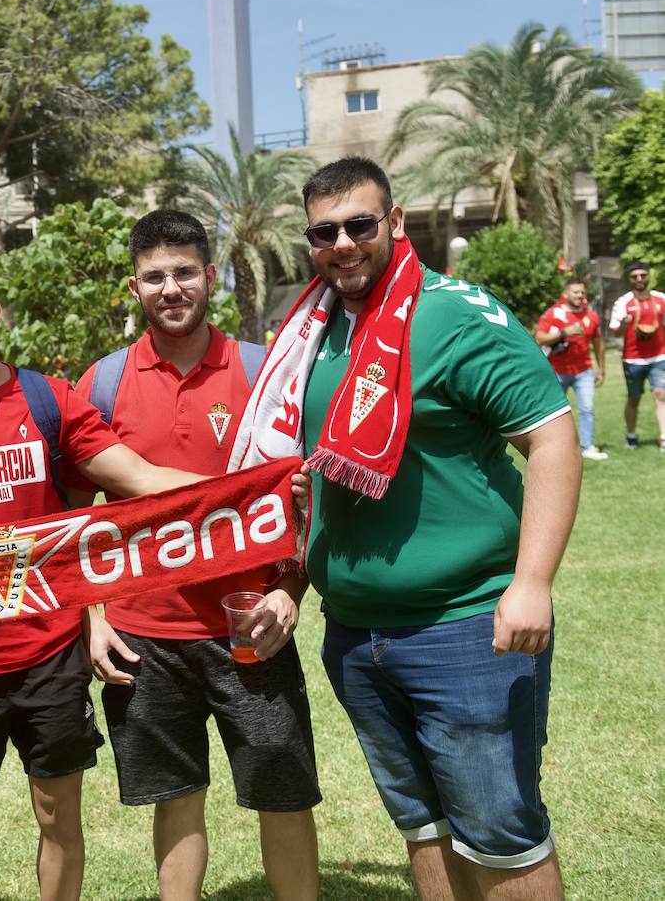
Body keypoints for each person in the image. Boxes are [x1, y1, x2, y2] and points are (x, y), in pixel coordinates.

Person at [249, 157, 578, 899]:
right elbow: (319, 486)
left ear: (394, 223)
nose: (343, 243)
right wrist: (292, 585)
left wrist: (531, 583)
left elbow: (552, 436)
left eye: (360, 225)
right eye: (323, 231)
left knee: (501, 831)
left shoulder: (457, 315)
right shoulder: (312, 334)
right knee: (423, 826)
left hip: (465, 629)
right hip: (358, 639)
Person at [0, 252, 211, 901]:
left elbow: (139, 480)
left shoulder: (49, 401)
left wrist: (253, 490)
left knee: (61, 819)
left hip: (50, 654)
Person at [74, 210, 320, 901]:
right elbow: (76, 523)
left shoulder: (261, 373)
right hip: (142, 634)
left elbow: (301, 506)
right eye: (154, 276)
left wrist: (288, 593)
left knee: (283, 789)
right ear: (134, 286)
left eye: (184, 271)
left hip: (250, 630)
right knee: (175, 795)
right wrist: (94, 617)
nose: (171, 287)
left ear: (211, 275)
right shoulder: (104, 382)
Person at [535, 278, 607, 460]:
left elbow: (599, 344)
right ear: (565, 294)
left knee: (587, 408)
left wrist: (602, 369)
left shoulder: (591, 316)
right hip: (556, 371)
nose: (580, 295)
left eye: (582, 292)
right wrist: (564, 333)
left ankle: (587, 446)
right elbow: (539, 339)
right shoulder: (553, 314)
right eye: (576, 292)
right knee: (552, 412)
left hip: (584, 371)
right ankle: (550, 448)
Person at [608, 261, 665, 451]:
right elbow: (616, 333)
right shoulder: (623, 302)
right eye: (635, 276)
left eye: (643, 275)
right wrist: (625, 324)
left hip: (659, 356)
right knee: (634, 398)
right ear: (629, 279)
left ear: (649, 276)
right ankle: (631, 435)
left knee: (661, 395)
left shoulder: (661, 299)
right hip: (633, 359)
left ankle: (664, 437)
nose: (639, 279)